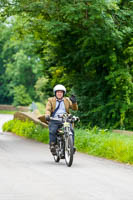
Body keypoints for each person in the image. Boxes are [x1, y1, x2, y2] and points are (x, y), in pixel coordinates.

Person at [45, 84, 78, 155]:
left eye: (61, 92)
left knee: (71, 130)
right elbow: (48, 109)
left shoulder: (67, 100)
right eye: (58, 92)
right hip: (54, 119)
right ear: (55, 93)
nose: (59, 93)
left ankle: (71, 146)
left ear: (63, 93)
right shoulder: (50, 100)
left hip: (65, 119)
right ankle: (52, 145)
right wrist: (47, 115)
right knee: (52, 130)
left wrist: (74, 102)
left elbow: (75, 109)